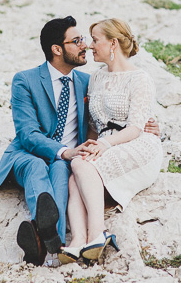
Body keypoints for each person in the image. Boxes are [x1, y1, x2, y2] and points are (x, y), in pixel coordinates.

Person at [0, 16, 160, 266]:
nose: (85, 46)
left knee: (63, 172)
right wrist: (63, 151)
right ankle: (51, 236)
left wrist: (150, 125)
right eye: (77, 40)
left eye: (87, 39)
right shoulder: (25, 80)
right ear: (57, 49)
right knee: (39, 167)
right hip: (29, 153)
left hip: (69, 157)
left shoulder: (86, 81)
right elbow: (27, 134)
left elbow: (120, 110)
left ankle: (50, 242)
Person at [59, 18, 163, 263]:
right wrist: (90, 145)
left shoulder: (140, 78)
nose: (90, 46)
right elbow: (94, 127)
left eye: (95, 40)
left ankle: (96, 233)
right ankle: (78, 242)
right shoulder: (96, 77)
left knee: (80, 165)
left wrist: (104, 145)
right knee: (75, 176)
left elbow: (137, 127)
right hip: (105, 144)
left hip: (136, 144)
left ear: (113, 43)